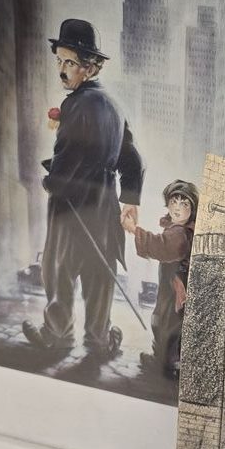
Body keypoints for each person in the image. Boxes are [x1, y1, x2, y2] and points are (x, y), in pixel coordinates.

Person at [23, 18, 144, 357]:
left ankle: (57, 335)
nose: (62, 70)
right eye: (59, 61)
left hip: (72, 201)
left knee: (58, 268)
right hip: (104, 203)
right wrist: (130, 199)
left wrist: (51, 181)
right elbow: (132, 160)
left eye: (70, 63)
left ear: (89, 68)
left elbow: (67, 154)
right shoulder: (115, 107)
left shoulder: (76, 104)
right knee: (98, 273)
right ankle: (99, 340)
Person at [124, 177, 198, 380]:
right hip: (171, 286)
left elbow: (161, 246)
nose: (178, 207)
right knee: (165, 321)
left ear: (192, 209)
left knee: (166, 322)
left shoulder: (181, 233)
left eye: (184, 203)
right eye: (174, 201)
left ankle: (166, 364)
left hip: (176, 288)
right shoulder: (178, 229)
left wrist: (133, 229)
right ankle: (165, 360)